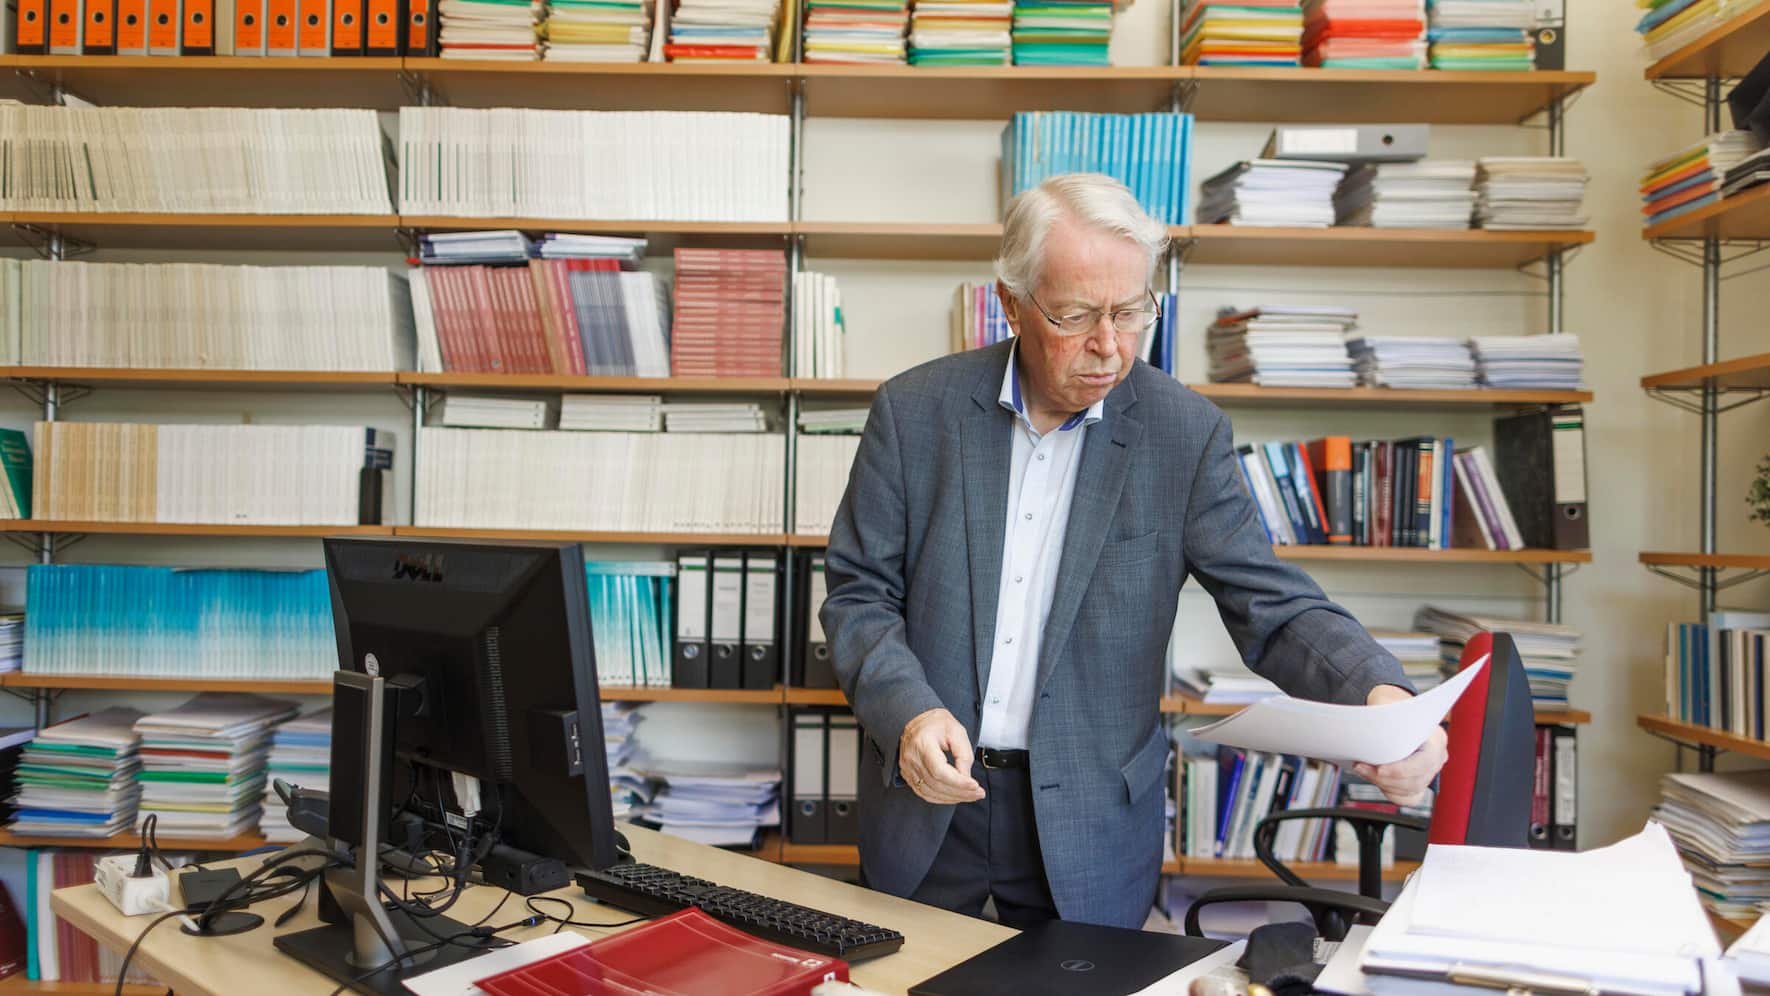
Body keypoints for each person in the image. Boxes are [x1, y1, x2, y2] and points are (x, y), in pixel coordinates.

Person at [819, 172, 1448, 930]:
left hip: (1091, 819)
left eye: (1130, 312)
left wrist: (1382, 698)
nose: (1109, 346)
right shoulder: (914, 411)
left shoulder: (1184, 434)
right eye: (1077, 314)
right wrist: (911, 715)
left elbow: (1271, 606)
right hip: (926, 800)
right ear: (1013, 303)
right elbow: (859, 596)